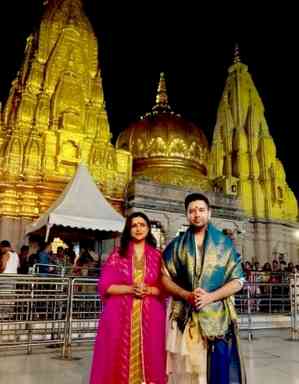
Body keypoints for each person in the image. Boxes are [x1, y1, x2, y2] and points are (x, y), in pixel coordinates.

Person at [162, 193, 246, 384]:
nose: (196, 214)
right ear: (186, 215)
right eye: (191, 211)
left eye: (201, 210)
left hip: (218, 319)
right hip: (186, 316)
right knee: (188, 373)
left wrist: (210, 297)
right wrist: (185, 294)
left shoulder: (224, 244)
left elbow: (238, 280)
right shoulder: (176, 245)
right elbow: (164, 277)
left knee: (216, 371)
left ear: (209, 213)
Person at [89, 211, 166, 384]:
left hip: (151, 316)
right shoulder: (118, 255)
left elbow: (163, 288)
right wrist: (131, 288)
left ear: (148, 228)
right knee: (115, 357)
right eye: (134, 225)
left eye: (142, 225)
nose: (138, 228)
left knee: (152, 355)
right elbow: (106, 286)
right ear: (128, 229)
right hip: (119, 315)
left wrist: (147, 290)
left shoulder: (158, 256)